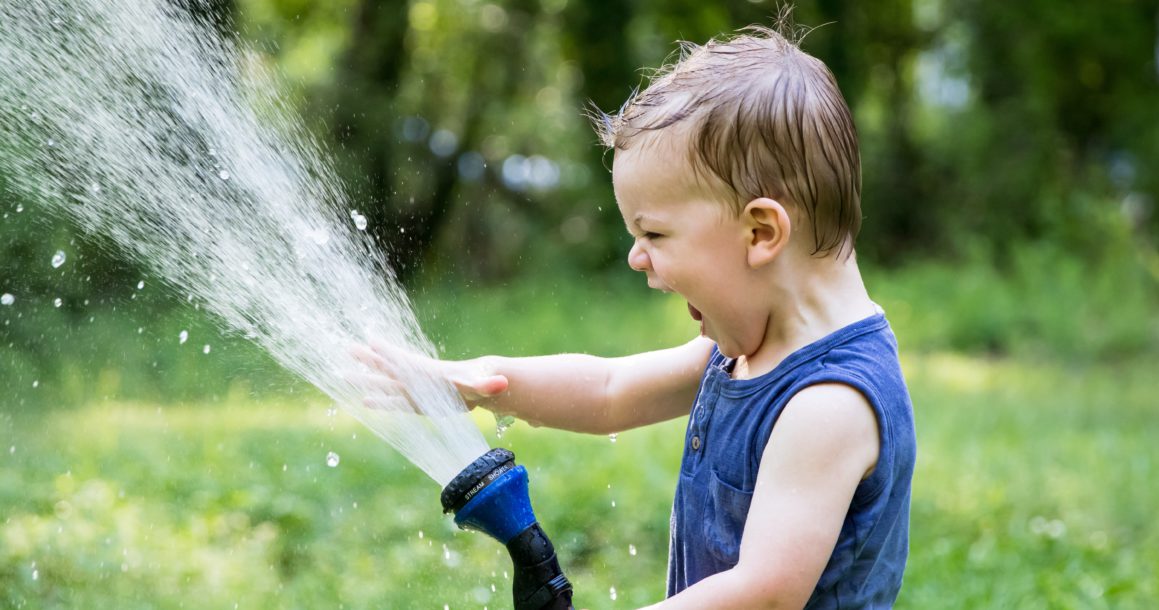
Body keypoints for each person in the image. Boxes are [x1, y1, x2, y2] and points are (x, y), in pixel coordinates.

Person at [360, 23, 915, 609]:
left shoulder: (828, 403)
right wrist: (477, 382)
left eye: (653, 232)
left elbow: (766, 593)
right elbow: (609, 391)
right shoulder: (745, 353)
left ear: (761, 231)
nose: (635, 256)